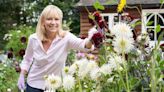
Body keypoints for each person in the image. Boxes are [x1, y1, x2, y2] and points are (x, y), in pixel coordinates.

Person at [17, 5, 97, 92]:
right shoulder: (34, 39)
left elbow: (83, 45)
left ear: (60, 21)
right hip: (34, 85)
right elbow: (27, 60)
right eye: (49, 19)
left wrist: (92, 39)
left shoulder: (66, 38)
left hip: (55, 86)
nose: (53, 22)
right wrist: (21, 75)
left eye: (56, 19)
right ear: (43, 21)